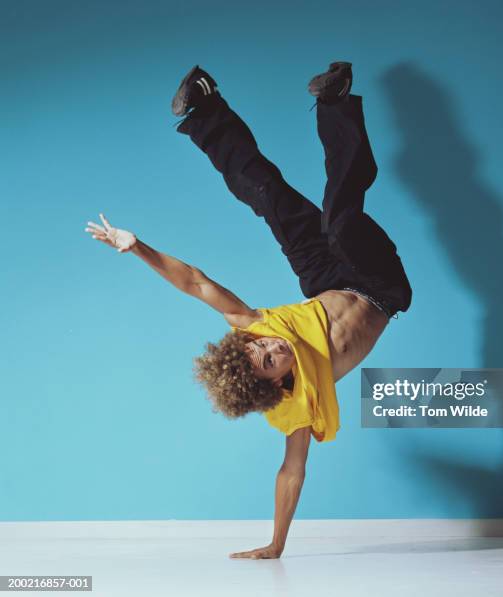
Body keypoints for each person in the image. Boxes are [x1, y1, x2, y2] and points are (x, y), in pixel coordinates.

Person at [85, 62, 412, 558]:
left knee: (266, 195)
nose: (273, 345)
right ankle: (335, 104)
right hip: (381, 288)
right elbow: (291, 472)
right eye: (268, 359)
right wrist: (275, 544)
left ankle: (205, 103)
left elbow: (195, 283)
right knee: (341, 221)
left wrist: (138, 247)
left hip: (324, 279)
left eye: (260, 346)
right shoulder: (296, 405)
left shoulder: (256, 327)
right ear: (274, 384)